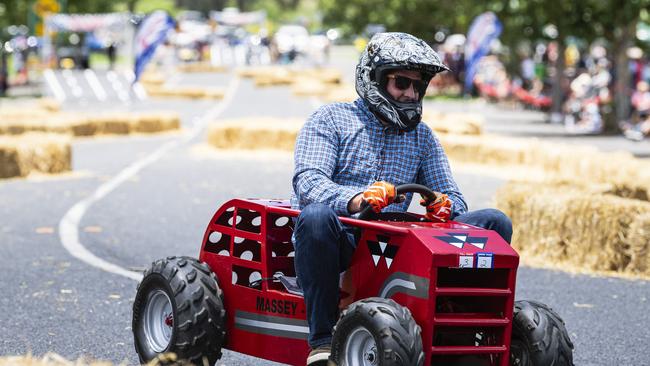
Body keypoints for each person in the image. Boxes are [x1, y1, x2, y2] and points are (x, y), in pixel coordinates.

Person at [291, 32, 513, 366]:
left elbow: (454, 197)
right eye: (401, 83)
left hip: (398, 241)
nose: (410, 94)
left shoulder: (422, 137)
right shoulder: (331, 119)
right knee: (316, 216)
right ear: (373, 79)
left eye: (417, 86)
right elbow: (308, 182)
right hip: (345, 238)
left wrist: (445, 205)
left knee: (495, 223)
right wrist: (357, 198)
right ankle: (322, 342)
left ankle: (461, 333)